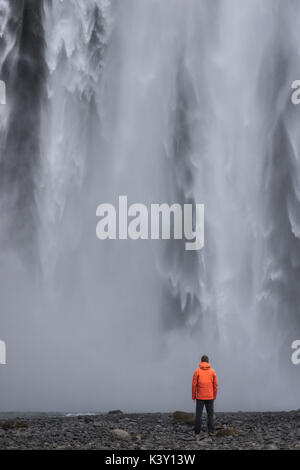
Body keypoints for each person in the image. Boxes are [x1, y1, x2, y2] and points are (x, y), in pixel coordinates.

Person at [192, 355, 218, 440]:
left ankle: (197, 432)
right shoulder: (212, 371)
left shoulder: (197, 371)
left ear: (201, 361)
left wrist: (193, 396)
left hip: (200, 396)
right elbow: (215, 385)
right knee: (210, 414)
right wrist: (214, 395)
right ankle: (210, 431)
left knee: (198, 415)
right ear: (208, 361)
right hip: (210, 396)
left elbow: (194, 385)